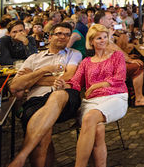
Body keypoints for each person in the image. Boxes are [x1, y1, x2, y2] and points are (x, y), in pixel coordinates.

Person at [7, 23, 82, 167]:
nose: (63, 37)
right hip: (35, 101)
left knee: (57, 96)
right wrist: (43, 70)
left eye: (67, 34)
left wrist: (32, 81)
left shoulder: (73, 54)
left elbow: (68, 77)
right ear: (50, 36)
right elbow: (15, 86)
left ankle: (22, 155)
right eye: (59, 33)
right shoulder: (34, 58)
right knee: (42, 135)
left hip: (65, 98)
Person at [54, 24, 128, 167]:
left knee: (89, 117)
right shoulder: (86, 62)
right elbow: (75, 82)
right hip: (92, 101)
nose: (103, 40)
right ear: (91, 41)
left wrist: (96, 85)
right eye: (99, 38)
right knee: (98, 129)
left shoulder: (116, 55)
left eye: (105, 37)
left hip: (116, 96)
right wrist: (65, 85)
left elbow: (120, 78)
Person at [112, 29, 144, 107]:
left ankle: (143, 88)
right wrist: (129, 60)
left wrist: (128, 57)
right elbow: (118, 52)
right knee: (139, 65)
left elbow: (118, 51)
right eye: (109, 19)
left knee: (140, 60)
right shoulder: (103, 35)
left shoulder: (107, 35)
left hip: (115, 62)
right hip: (112, 66)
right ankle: (139, 98)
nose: (112, 21)